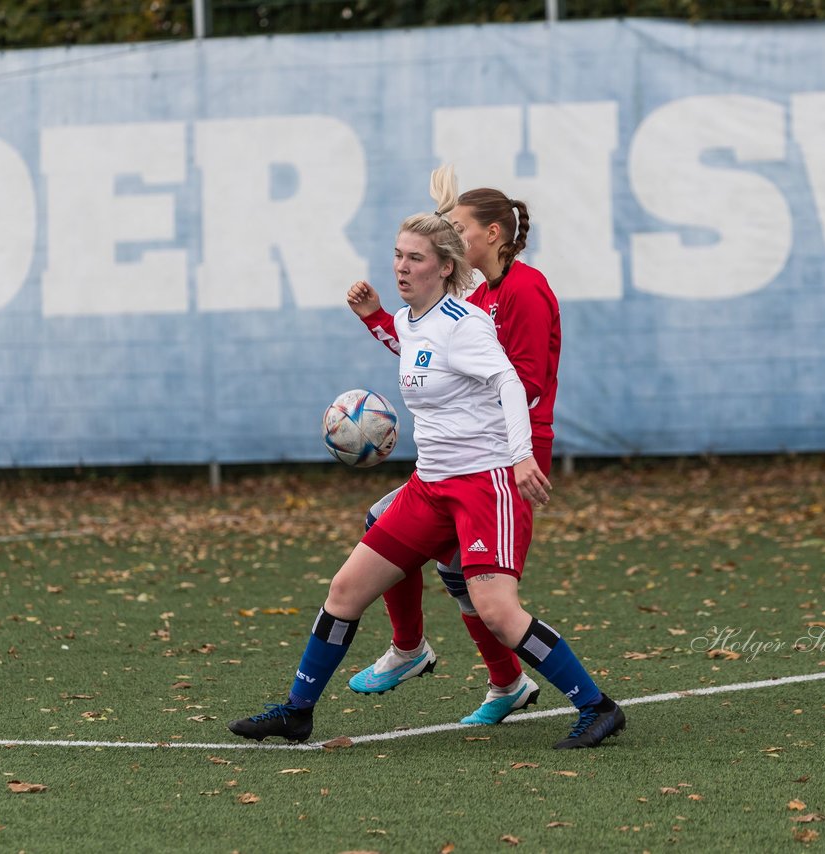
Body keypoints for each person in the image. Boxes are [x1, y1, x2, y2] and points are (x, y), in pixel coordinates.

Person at [227, 173, 624, 749]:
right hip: (430, 487)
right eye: (397, 255)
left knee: (496, 610)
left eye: (415, 257)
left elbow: (515, 383)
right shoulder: (419, 320)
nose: (401, 266)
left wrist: (519, 457)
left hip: (484, 484)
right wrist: (376, 317)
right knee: (344, 591)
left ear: (444, 265)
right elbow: (420, 347)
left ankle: (596, 706)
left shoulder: (472, 320)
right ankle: (298, 710)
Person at [343, 168, 561, 727]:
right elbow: (428, 355)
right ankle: (502, 682)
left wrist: (487, 439)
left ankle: (428, 655)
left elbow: (525, 382)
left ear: (491, 234)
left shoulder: (525, 290)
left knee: (481, 590)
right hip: (460, 460)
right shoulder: (478, 291)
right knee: (447, 566)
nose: (451, 240)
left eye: (458, 229)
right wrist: (375, 320)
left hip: (504, 457)